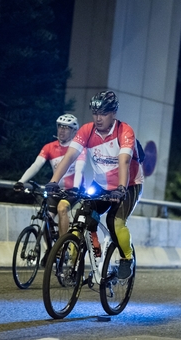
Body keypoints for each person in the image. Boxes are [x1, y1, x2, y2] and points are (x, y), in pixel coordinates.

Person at [45, 90, 143, 280]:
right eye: (95, 113)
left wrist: (121, 189)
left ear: (113, 113)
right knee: (82, 216)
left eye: (103, 113)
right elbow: (69, 158)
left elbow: (123, 161)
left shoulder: (125, 131)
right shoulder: (87, 131)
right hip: (100, 184)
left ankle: (126, 258)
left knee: (114, 222)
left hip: (129, 184)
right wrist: (53, 181)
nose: (98, 118)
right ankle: (88, 261)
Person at [14, 114, 82, 238]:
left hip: (72, 191)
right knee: (46, 219)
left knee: (62, 209)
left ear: (74, 131)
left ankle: (62, 248)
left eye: (66, 128)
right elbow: (36, 165)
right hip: (55, 190)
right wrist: (21, 181)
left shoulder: (77, 149)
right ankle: (51, 253)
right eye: (60, 126)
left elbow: (79, 170)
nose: (62, 130)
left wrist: (76, 188)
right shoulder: (49, 147)